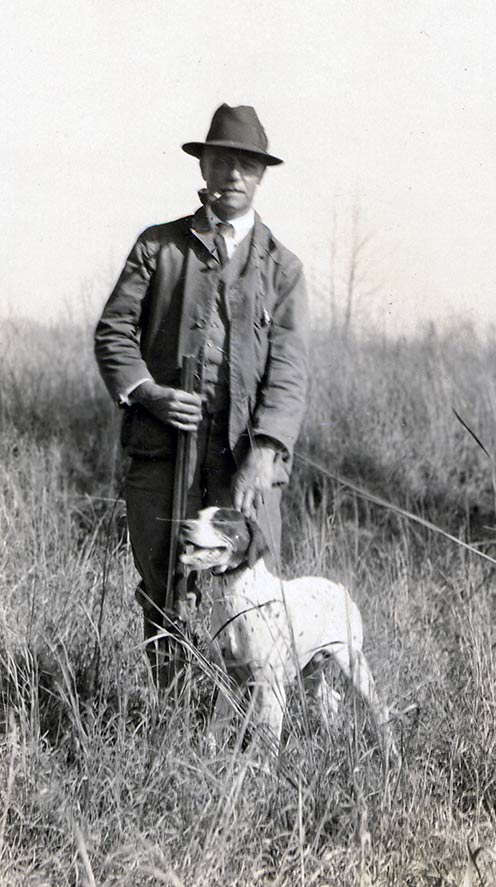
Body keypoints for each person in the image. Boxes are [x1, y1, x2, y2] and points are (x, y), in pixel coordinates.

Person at [95, 104, 308, 682]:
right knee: (164, 580)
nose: (233, 175)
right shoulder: (158, 247)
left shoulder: (281, 268)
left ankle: (248, 727)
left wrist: (265, 451)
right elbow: (114, 331)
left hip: (246, 463)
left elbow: (289, 369)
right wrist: (147, 393)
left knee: (249, 588)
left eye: (246, 164)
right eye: (222, 161)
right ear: (203, 167)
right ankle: (174, 716)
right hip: (163, 453)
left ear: (261, 176)